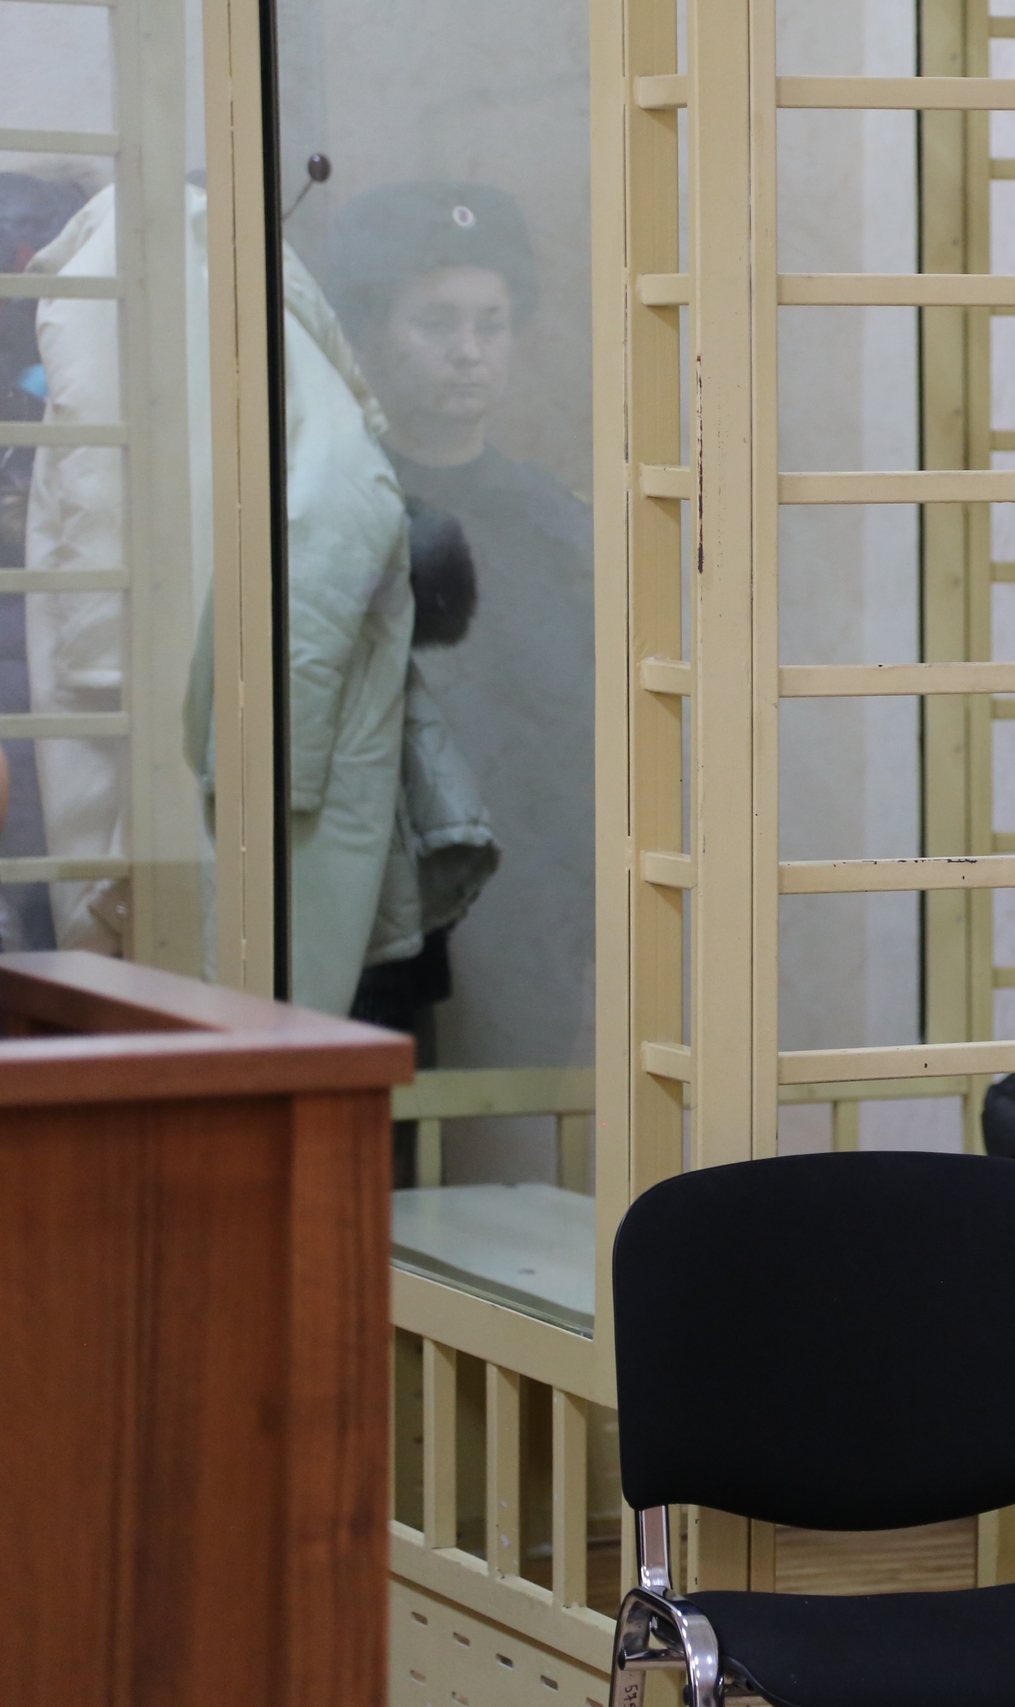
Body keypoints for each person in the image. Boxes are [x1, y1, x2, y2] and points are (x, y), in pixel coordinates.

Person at [326, 182, 592, 1084]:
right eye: (436, 323)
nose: (470, 352)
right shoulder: (336, 514)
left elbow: (583, 734)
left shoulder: (555, 524)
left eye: (493, 323)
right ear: (370, 333)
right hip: (371, 919)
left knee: (515, 1146)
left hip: (529, 917)